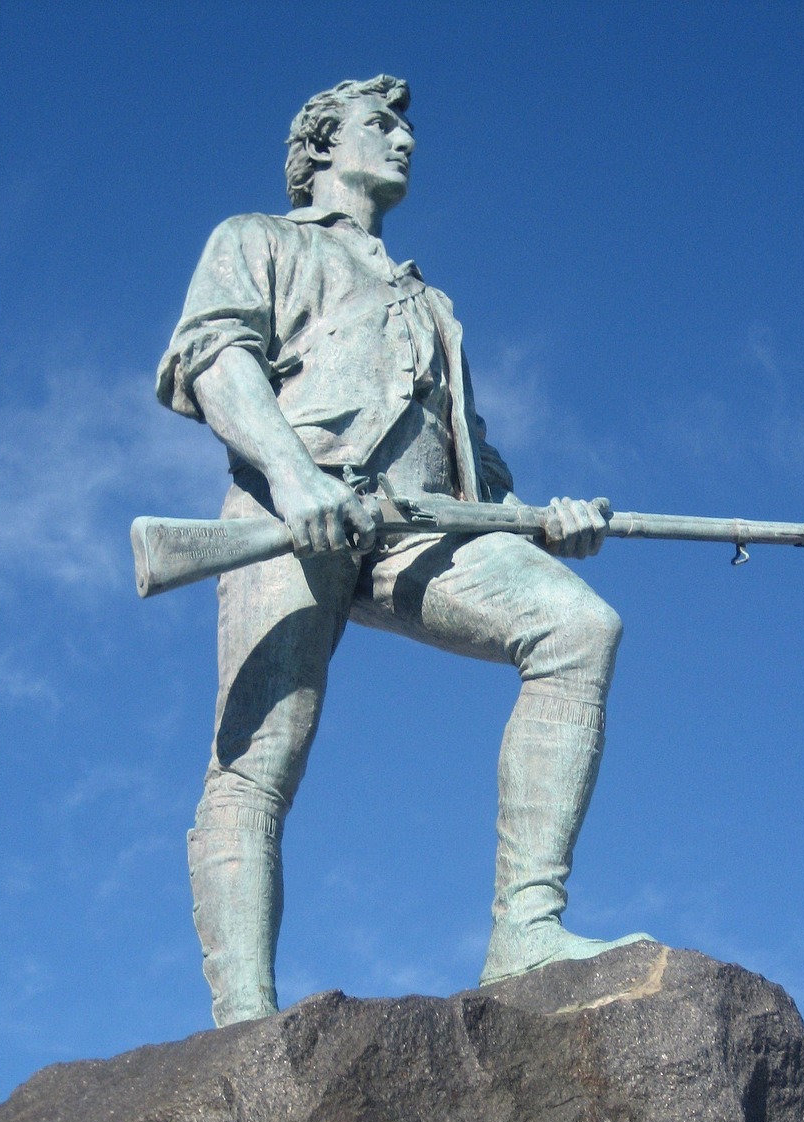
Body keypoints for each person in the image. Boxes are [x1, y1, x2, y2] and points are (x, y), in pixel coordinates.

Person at [157, 75, 650, 1028]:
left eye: (406, 128)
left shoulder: (435, 305)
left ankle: (526, 933)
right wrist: (297, 481)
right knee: (260, 758)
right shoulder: (258, 239)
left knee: (578, 627)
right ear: (320, 147)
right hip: (290, 511)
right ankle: (244, 1021)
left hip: (423, 527)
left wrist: (542, 518)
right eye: (380, 126)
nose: (404, 142)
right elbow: (215, 358)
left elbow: (476, 466)